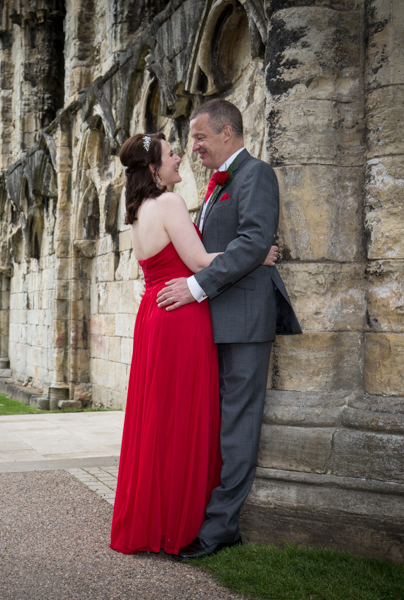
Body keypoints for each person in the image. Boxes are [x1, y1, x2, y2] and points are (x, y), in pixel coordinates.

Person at [110, 132, 278, 556]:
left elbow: (160, 266)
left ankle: (153, 518)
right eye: (171, 153)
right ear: (153, 168)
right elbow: (201, 262)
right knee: (182, 419)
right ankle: (177, 522)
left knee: (157, 420)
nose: (179, 156)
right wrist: (257, 254)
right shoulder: (168, 202)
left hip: (155, 313)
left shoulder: (138, 210)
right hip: (181, 317)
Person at [156, 99, 302, 560]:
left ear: (227, 133)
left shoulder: (256, 174)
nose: (193, 147)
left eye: (200, 137)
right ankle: (201, 515)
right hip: (212, 322)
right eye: (192, 139)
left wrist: (195, 287)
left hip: (243, 322)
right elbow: (228, 249)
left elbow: (255, 240)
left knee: (238, 426)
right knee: (214, 424)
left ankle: (220, 530)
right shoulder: (217, 183)